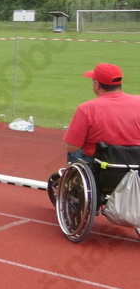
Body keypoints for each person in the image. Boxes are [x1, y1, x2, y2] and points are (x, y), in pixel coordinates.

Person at [47, 63, 140, 201]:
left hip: (101, 167)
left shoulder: (87, 108)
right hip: (136, 165)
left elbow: (72, 147)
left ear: (96, 84)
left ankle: (72, 186)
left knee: (75, 150)